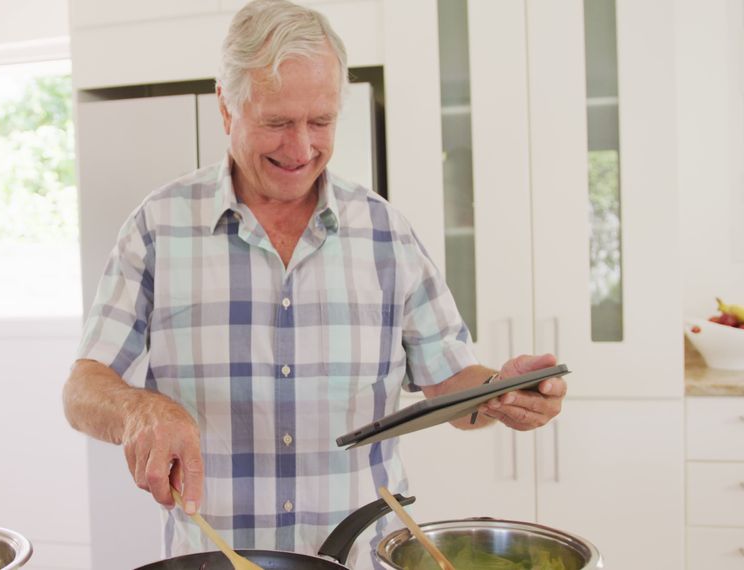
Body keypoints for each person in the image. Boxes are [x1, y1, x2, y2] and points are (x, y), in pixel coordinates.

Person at [62, 0, 567, 567]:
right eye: (276, 123)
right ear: (226, 107)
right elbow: (82, 390)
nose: (301, 149)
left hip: (363, 558)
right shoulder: (158, 227)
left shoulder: (384, 232)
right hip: (216, 558)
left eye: (321, 122)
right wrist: (138, 411)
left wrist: (499, 391)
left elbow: (452, 387)